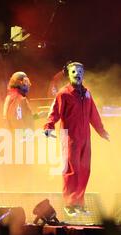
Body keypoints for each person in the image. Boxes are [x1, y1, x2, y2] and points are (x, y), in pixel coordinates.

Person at [44, 62, 110, 216]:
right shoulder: (64, 93)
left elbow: (93, 114)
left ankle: (79, 203)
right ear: (69, 74)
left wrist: (101, 131)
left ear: (83, 74)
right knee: (71, 170)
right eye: (73, 71)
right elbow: (54, 111)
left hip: (85, 138)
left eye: (80, 71)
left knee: (85, 170)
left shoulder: (87, 93)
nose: (77, 74)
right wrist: (49, 126)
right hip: (70, 138)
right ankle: (69, 204)